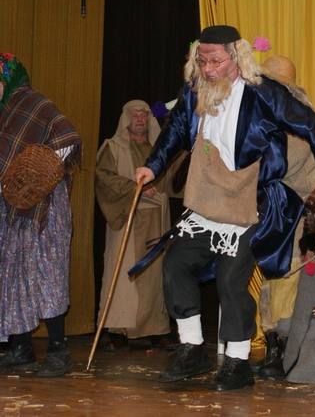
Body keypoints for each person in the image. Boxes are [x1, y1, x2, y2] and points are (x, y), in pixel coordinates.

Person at [134, 25, 315, 391]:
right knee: (176, 263)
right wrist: (153, 166)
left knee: (230, 277)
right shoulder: (194, 91)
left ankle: (237, 362)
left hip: (255, 198)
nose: (208, 69)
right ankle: (192, 348)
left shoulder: (264, 93)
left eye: (215, 61)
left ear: (236, 57)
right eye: (202, 61)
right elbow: (175, 130)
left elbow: (311, 126)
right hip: (209, 197)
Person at [0, 53, 82, 377]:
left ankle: (59, 350)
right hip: (12, 208)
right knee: (13, 275)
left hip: (44, 207)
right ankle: (20, 348)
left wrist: (37, 174)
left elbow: (68, 136)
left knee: (46, 272)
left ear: (10, 79)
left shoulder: (32, 103)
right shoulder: (4, 111)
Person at [95, 100, 184, 351]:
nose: (139, 119)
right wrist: (135, 187)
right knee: (123, 276)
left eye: (143, 115)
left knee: (154, 276)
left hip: (156, 220)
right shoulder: (113, 148)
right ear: (125, 119)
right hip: (127, 217)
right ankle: (119, 331)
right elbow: (104, 179)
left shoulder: (161, 149)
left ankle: (157, 330)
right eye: (134, 115)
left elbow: (176, 178)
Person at [255, 54, 315, 379]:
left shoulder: (300, 121)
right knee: (271, 283)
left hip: (298, 215)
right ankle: (272, 348)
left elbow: (281, 163)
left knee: (288, 281)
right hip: (277, 216)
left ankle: (287, 353)